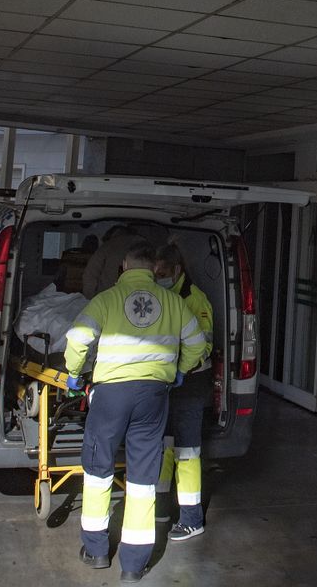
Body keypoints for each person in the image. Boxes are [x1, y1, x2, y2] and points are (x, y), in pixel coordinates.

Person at [65, 238, 209, 582]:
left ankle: (97, 550)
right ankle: (134, 563)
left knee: (99, 470)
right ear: (152, 270)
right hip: (153, 396)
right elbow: (198, 343)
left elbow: (77, 338)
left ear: (124, 268)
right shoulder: (173, 302)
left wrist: (74, 374)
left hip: (111, 395)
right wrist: (179, 371)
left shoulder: (106, 300)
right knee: (143, 475)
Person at [152, 243, 214, 541]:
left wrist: (178, 368)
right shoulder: (163, 295)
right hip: (167, 381)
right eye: (155, 272)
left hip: (190, 383)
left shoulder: (194, 299)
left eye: (163, 272)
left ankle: (191, 519)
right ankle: (161, 508)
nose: (158, 276)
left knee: (187, 452)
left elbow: (203, 346)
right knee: (163, 447)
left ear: (177, 270)